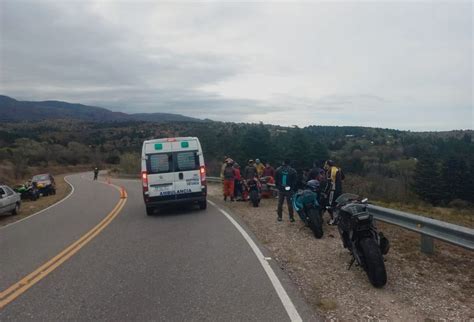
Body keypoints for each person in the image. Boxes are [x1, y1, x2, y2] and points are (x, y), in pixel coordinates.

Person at [324, 160, 344, 225]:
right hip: (338, 190)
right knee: (336, 205)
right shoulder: (337, 169)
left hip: (333, 191)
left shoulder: (332, 171)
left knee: (330, 205)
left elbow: (330, 183)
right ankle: (337, 219)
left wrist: (326, 192)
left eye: (326, 164)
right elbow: (343, 177)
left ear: (328, 165)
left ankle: (334, 220)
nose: (325, 165)